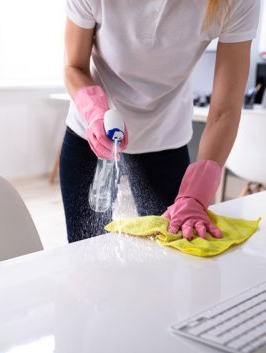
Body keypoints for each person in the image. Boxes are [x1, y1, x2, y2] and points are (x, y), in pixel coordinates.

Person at [60, 0, 260, 243]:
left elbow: (225, 109)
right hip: (92, 133)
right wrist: (94, 110)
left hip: (165, 135)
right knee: (86, 250)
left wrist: (195, 196)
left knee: (174, 250)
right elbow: (74, 66)